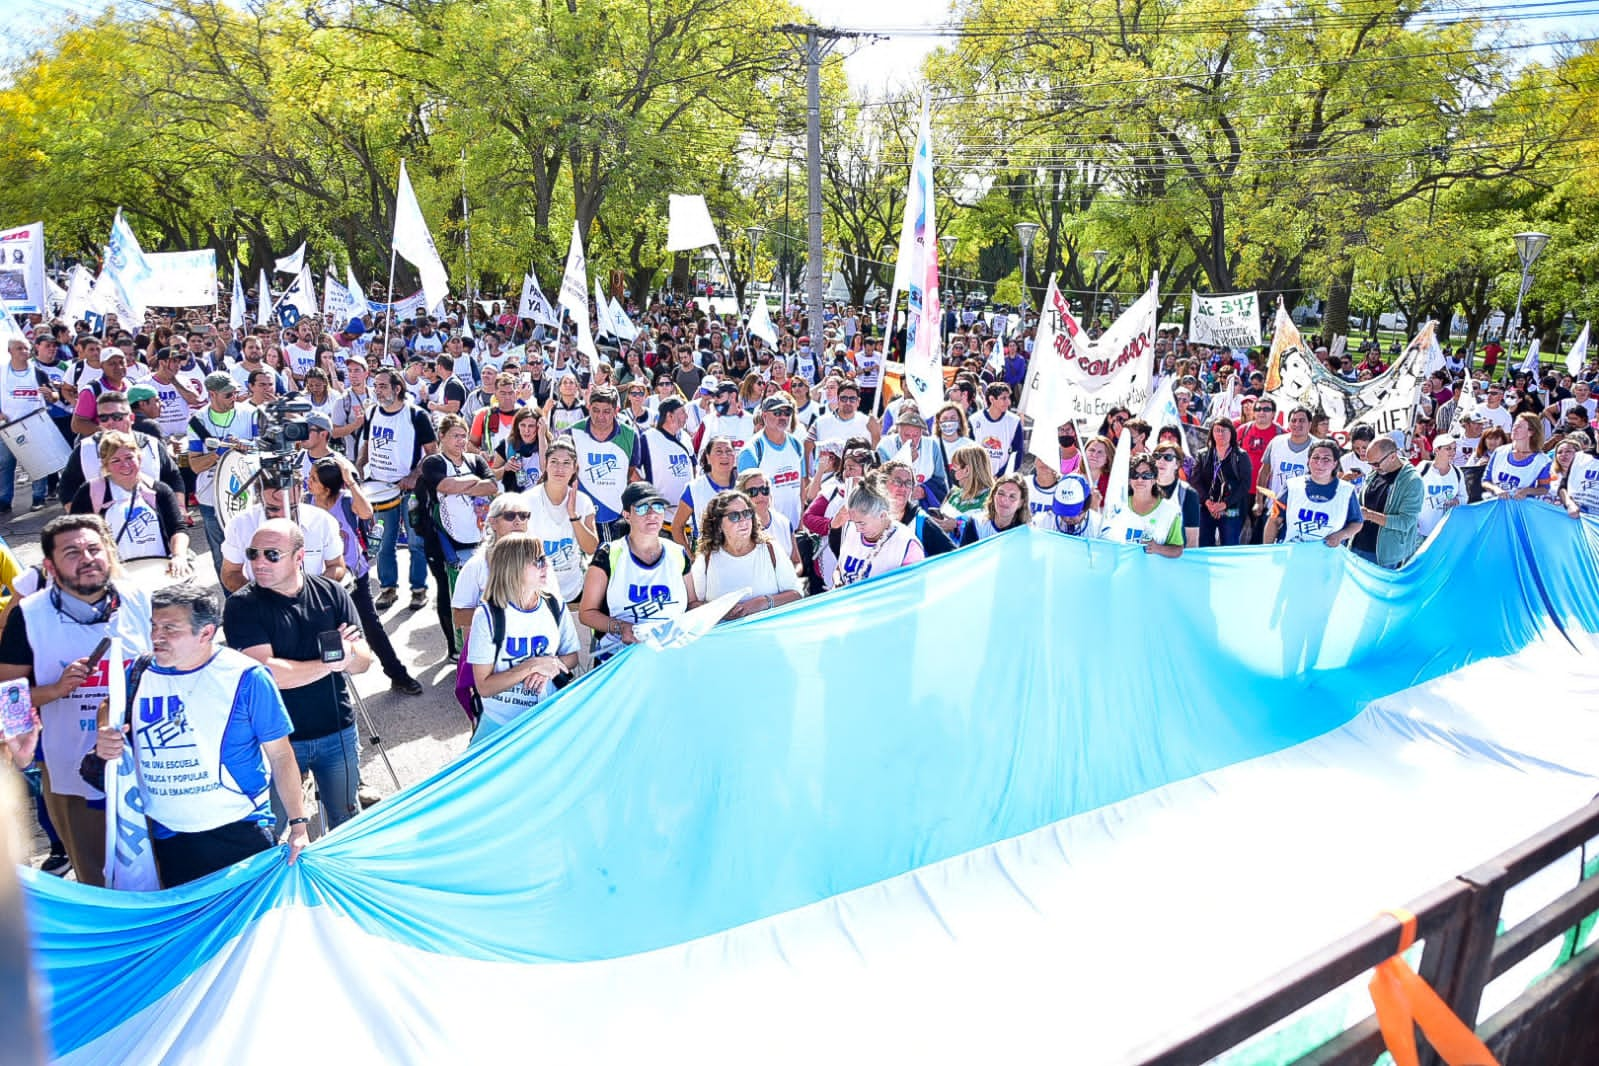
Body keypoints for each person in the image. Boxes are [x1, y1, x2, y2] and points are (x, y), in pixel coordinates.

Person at [92, 585, 310, 887]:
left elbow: (281, 754)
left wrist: (298, 825)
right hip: (167, 836)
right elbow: (109, 706)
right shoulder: (139, 672)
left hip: (239, 831)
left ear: (206, 633)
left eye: (170, 628)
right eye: (154, 626)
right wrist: (106, 729)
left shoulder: (246, 676)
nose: (157, 636)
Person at [0, 515, 154, 886]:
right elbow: (7, 700)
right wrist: (54, 690)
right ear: (50, 567)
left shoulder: (138, 598)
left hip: (148, 765)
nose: (87, 558)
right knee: (99, 879)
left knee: (161, 875)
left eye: (93, 549)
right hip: (72, 771)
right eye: (72, 552)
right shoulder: (30, 615)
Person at [223, 519, 373, 835]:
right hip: (277, 741)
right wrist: (330, 663)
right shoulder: (241, 605)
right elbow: (269, 675)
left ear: (299, 556)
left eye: (271, 555)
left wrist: (348, 658)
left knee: (347, 823)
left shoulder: (331, 592)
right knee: (275, 829)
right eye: (253, 554)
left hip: (337, 731)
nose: (258, 563)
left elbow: (363, 661)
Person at [306, 458, 422, 695]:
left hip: (352, 577)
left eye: (314, 479)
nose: (309, 481)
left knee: (370, 627)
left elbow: (367, 512)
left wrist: (350, 481)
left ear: (327, 488)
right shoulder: (306, 503)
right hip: (319, 580)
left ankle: (398, 675)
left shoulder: (345, 501)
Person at [466, 534, 581, 745]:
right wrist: (533, 666)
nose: (546, 565)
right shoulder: (488, 616)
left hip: (547, 718)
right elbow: (484, 686)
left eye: (545, 558)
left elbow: (572, 656)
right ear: (514, 566)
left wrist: (553, 664)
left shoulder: (554, 604)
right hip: (499, 725)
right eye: (538, 561)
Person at [578, 482, 696, 664]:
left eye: (657, 506)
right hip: (621, 659)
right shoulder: (609, 554)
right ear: (627, 515)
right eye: (641, 508)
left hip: (669, 657)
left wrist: (724, 611)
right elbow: (586, 613)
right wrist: (622, 628)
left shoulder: (677, 553)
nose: (651, 514)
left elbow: (692, 603)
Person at [414, 414, 495, 657]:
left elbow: (491, 486)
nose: (461, 441)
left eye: (464, 436)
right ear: (441, 436)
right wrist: (472, 482)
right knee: (449, 593)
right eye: (455, 436)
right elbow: (443, 486)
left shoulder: (475, 460)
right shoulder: (433, 463)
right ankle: (455, 648)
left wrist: (463, 482)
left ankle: (479, 644)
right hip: (442, 542)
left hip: (478, 540)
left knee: (481, 592)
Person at [359, 369, 438, 611]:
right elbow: (366, 444)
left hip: (410, 490)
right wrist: (359, 466)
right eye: (376, 386)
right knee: (383, 542)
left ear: (398, 388)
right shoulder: (372, 412)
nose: (378, 390)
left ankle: (418, 589)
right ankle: (388, 588)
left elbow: (432, 452)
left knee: (416, 542)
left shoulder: (416, 416)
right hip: (380, 488)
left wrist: (414, 475)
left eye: (383, 386)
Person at [68, 431, 193, 583]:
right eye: (115, 460)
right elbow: (75, 535)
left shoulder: (159, 490)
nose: (125, 465)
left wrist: (178, 556)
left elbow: (178, 529)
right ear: (105, 464)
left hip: (159, 571)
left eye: (129, 457)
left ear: (139, 458)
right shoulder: (90, 492)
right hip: (114, 577)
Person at [688, 489, 804, 620]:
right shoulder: (707, 558)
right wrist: (720, 611)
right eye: (734, 516)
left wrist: (763, 602)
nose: (743, 521)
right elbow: (693, 605)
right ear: (718, 524)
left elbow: (796, 594)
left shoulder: (771, 549)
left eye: (747, 513)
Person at [219, 476, 347, 593]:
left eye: (292, 507)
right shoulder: (239, 525)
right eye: (273, 508)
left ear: (301, 494)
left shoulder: (323, 521)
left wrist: (312, 595)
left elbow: (336, 566)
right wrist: (258, 600)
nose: (283, 515)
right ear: (259, 499)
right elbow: (230, 573)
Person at [451, 491, 535, 644]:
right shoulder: (477, 566)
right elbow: (459, 616)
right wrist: (502, 616)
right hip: (487, 651)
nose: (518, 521)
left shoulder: (538, 564)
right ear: (493, 522)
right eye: (510, 516)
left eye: (524, 515)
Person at [529, 438, 599, 608]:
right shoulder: (527, 501)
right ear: (545, 464)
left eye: (566, 463)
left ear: (575, 468)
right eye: (554, 462)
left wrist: (573, 516)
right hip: (537, 593)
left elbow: (591, 548)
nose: (560, 468)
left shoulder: (583, 502)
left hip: (574, 591)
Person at [1262, 439, 1363, 547]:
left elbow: (1357, 522)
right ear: (1308, 461)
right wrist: (1268, 550)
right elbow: (1274, 520)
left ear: (1335, 464)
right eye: (1315, 458)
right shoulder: (1292, 486)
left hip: (1328, 557)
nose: (1320, 463)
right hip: (1292, 554)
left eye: (1326, 459)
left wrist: (1341, 535)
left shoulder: (1346, 491)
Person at [570, 385, 641, 536]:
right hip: (580, 515)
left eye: (607, 411)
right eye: (595, 410)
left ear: (616, 411)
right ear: (588, 407)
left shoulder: (630, 435)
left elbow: (630, 471)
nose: (600, 416)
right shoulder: (573, 432)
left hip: (616, 516)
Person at [0, 336, 59, 513]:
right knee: (5, 464)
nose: (24, 352)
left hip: (34, 425)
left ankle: (38, 497)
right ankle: (4, 500)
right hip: (8, 427)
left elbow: (55, 397)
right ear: (9, 351)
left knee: (37, 463)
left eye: (26, 348)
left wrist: (51, 395)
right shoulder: (1, 372)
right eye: (19, 348)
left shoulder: (38, 372)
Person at [833, 478, 925, 587]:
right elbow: (839, 568)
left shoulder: (906, 545)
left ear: (882, 515)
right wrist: (838, 580)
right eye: (854, 522)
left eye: (862, 523)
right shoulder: (852, 528)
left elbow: (915, 588)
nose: (857, 529)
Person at [1352, 437, 1424, 568]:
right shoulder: (1376, 471)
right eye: (1370, 464)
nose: (1373, 467)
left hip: (1385, 557)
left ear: (1392, 456)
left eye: (1376, 464)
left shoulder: (1413, 481)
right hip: (1358, 546)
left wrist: (1369, 515)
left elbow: (1406, 522)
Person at [737, 396, 807, 529]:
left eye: (787, 413)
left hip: (794, 526)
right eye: (777, 413)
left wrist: (801, 522)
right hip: (765, 528)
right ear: (764, 415)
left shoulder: (796, 444)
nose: (783, 417)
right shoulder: (752, 450)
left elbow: (801, 486)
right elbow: (744, 497)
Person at [1098, 452, 1184, 557]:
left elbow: (1178, 550)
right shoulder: (1117, 506)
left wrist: (1158, 548)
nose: (1140, 480)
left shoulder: (1170, 511)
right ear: (1129, 480)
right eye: (1135, 475)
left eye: (1146, 475)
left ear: (1154, 479)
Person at [1190, 419, 1252, 547]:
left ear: (1232, 433)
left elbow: (1245, 485)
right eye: (1217, 430)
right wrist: (1208, 502)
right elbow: (1195, 481)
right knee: (1204, 545)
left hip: (1231, 508)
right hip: (1207, 507)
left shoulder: (1240, 456)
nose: (1220, 434)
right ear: (1212, 433)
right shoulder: (1203, 455)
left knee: (1229, 545)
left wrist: (1224, 504)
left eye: (1224, 431)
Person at [638, 397, 695, 525]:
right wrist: (648, 499)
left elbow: (693, 466)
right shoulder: (648, 438)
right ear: (670, 416)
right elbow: (634, 472)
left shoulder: (685, 437)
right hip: (659, 514)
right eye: (682, 412)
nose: (686, 416)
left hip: (686, 512)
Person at [674, 435, 738, 548]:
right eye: (718, 452)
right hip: (708, 555)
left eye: (729, 451)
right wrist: (691, 557)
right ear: (708, 457)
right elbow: (677, 527)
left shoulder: (744, 484)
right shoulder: (694, 488)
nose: (725, 456)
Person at [1482, 413, 1552, 501]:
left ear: (1531, 432)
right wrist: (1496, 489)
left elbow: (1544, 489)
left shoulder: (1543, 461)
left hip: (1522, 508)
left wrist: (1527, 491)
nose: (1514, 429)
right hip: (1496, 505)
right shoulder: (1499, 452)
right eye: (1514, 426)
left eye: (1519, 426)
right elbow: (1485, 481)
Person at [935, 442, 996, 538]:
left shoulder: (991, 499)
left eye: (954, 467)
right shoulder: (954, 492)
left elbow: (989, 531)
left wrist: (958, 526)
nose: (951, 471)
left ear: (967, 470)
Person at [968, 382, 1025, 475]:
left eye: (1008, 398)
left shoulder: (1014, 421)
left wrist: (1002, 475)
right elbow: (969, 451)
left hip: (1003, 478)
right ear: (992, 399)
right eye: (1003, 398)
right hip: (978, 476)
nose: (1009, 402)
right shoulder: (974, 420)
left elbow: (1017, 453)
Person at [1152, 443, 1201, 548]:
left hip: (1174, 557)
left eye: (1168, 457)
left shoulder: (1188, 494)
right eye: (1157, 456)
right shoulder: (1143, 486)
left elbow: (1192, 540)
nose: (1161, 461)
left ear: (1177, 464)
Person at [959, 473, 1030, 544]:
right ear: (993, 495)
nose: (1004, 500)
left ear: (1021, 503)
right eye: (1001, 493)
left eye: (1012, 496)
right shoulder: (976, 524)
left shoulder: (1024, 533)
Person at [1418, 434, 1465, 538]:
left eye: (1454, 449)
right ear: (1436, 450)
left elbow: (1464, 497)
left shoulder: (1457, 472)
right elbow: (1409, 494)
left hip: (1447, 532)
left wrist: (1457, 501)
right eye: (1448, 449)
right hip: (1422, 532)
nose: (1452, 452)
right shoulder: (1423, 468)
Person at [488, 407, 544, 493]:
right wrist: (505, 468)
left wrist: (542, 437)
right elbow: (492, 476)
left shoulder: (547, 445)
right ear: (517, 426)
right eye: (522, 425)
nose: (526, 430)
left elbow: (547, 471)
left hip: (539, 499)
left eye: (531, 426)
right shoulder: (507, 444)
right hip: (514, 500)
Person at [1031, 472, 1099, 537]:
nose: (1066, 518)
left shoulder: (1099, 529)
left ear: (1085, 508)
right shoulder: (1042, 522)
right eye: (1062, 512)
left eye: (1072, 513)